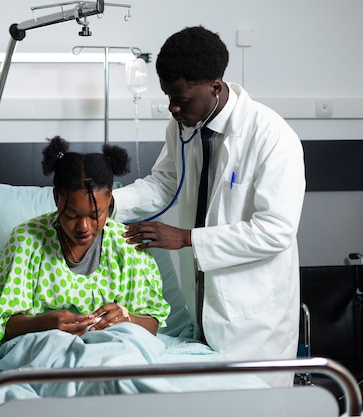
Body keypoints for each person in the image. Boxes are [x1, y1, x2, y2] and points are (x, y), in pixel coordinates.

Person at [113, 26, 306, 386]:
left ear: (215, 87)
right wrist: (108, 204)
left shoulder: (272, 138)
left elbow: (275, 231)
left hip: (254, 322)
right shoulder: (184, 126)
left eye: (181, 99)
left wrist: (187, 238)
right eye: (168, 97)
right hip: (202, 304)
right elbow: (165, 183)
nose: (172, 108)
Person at [0, 136, 170, 343]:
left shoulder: (127, 244)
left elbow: (152, 325)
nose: (84, 227)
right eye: (71, 215)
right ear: (56, 198)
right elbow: (2, 327)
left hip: (112, 349)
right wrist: (45, 324)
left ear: (109, 199)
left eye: (95, 214)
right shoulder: (27, 241)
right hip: (45, 347)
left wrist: (127, 318)